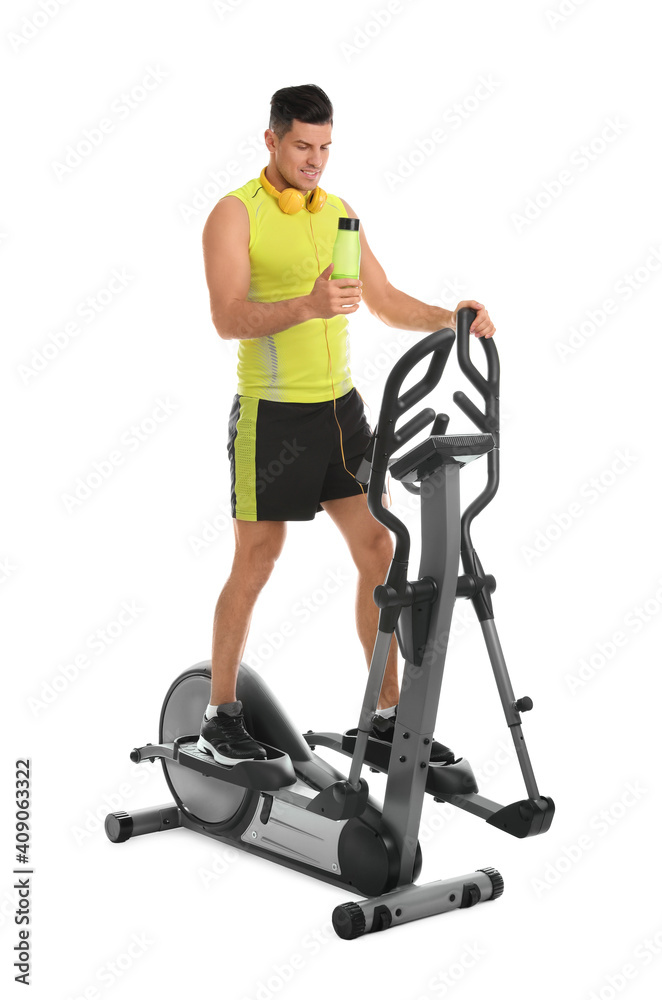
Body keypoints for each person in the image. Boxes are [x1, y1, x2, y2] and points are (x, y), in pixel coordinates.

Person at [198, 83, 496, 766]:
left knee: (378, 551)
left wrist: (453, 318)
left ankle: (386, 718)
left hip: (343, 415)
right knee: (257, 559)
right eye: (302, 145)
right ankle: (220, 714)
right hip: (270, 417)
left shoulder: (339, 213)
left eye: (325, 147)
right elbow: (226, 318)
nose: (315, 159)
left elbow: (383, 299)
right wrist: (306, 305)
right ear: (271, 140)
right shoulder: (233, 215)